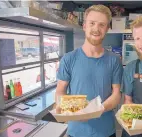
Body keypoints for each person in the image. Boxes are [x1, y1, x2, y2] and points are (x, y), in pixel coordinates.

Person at [55, 4, 123, 137]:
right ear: (84, 25)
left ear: (107, 29)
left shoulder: (114, 60)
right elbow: (60, 90)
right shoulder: (68, 59)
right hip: (75, 132)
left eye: (102, 25)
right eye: (92, 23)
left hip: (106, 132)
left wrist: (97, 110)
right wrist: (63, 108)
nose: (96, 29)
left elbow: (116, 95)